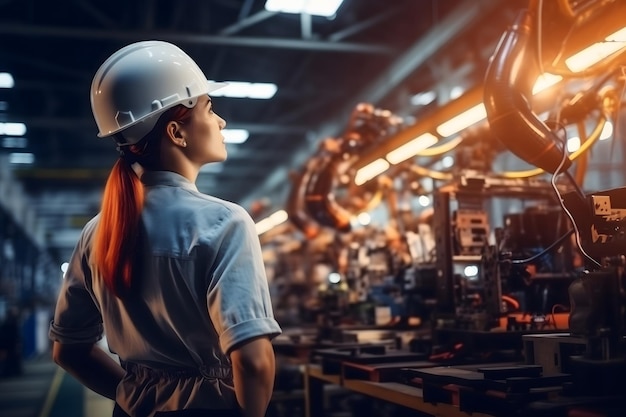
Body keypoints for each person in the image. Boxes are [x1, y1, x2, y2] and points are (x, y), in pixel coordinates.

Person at [48, 40, 282, 417]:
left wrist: (134, 394)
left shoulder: (96, 232)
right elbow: (254, 363)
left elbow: (68, 350)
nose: (220, 121)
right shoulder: (225, 222)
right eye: (209, 108)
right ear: (176, 132)